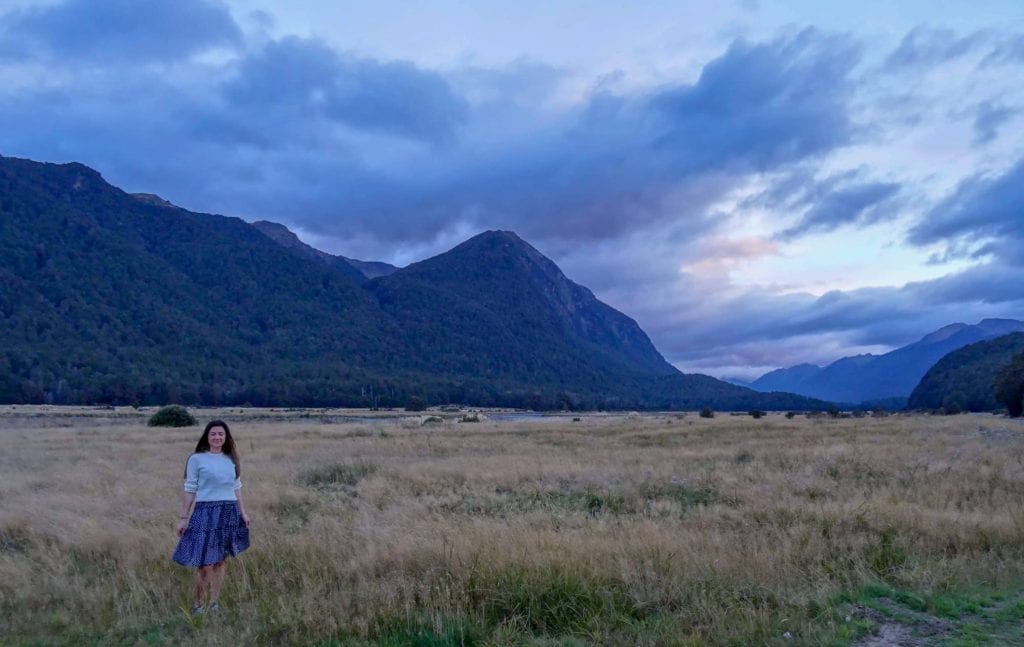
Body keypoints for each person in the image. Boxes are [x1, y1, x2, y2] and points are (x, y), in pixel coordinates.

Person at [172, 420, 251, 617]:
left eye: (221, 434)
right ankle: (199, 605)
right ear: (207, 436)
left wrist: (243, 512)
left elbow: (236, 487)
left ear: (226, 437)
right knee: (205, 563)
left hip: (228, 511)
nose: (217, 437)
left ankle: (214, 603)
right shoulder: (196, 459)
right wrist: (183, 517)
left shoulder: (231, 459)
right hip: (205, 513)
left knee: (220, 562)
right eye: (213, 434)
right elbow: (190, 489)